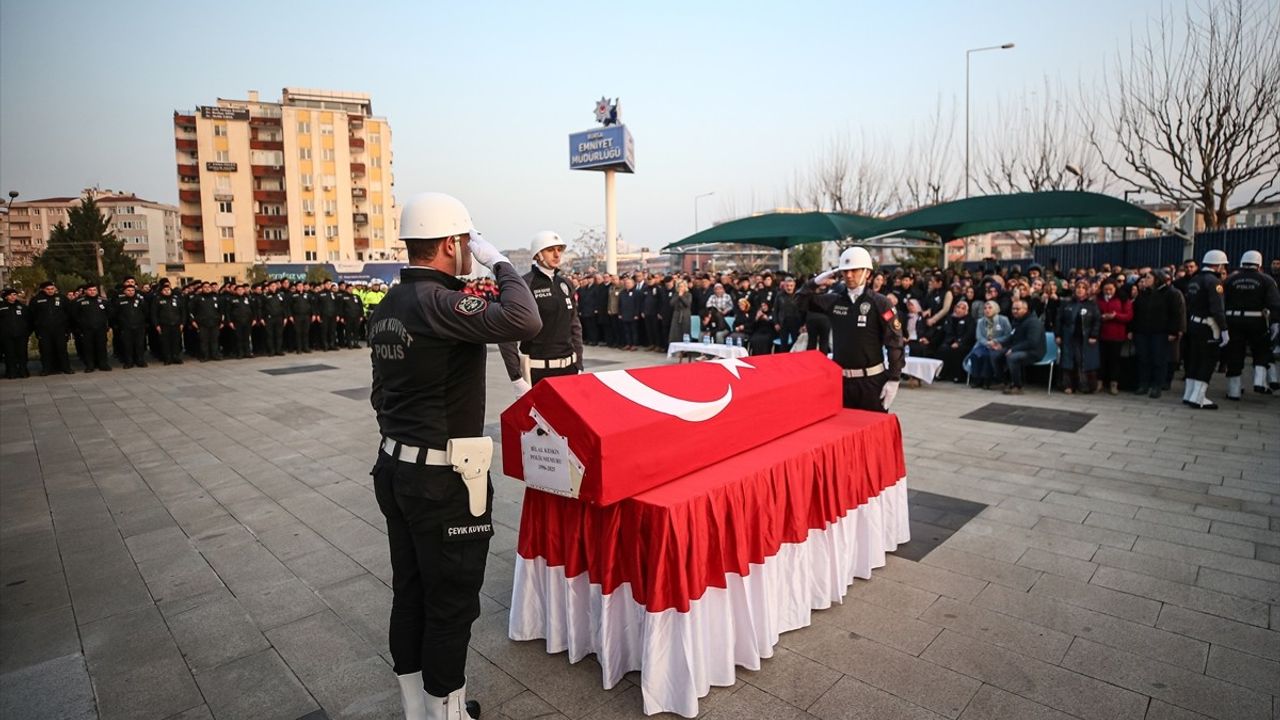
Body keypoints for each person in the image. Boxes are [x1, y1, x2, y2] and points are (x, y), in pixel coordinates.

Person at [369, 193, 540, 720]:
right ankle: (447, 715)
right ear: (450, 243)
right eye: (466, 242)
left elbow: (381, 392)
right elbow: (523, 318)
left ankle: (417, 710)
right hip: (441, 480)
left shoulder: (393, 302)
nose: (470, 251)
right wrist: (503, 262)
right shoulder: (438, 303)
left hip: (396, 465)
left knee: (412, 591)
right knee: (451, 603)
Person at [799, 246, 904, 412]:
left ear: (867, 273)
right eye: (845, 271)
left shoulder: (880, 302)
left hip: (871, 382)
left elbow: (895, 341)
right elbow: (800, 302)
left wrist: (894, 378)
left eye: (854, 270)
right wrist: (816, 282)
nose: (848, 275)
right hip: (841, 382)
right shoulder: (834, 300)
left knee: (872, 434)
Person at [499, 231, 584, 396]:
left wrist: (579, 364)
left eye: (559, 249)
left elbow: (574, 325)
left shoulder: (565, 284)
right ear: (538, 254)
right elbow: (507, 334)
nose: (557, 254)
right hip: (538, 372)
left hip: (569, 369)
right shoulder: (524, 284)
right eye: (550, 249)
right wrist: (516, 377)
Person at [1222, 250, 1280, 399]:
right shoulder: (1267, 280)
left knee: (1234, 353)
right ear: (1259, 263)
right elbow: (1274, 304)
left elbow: (1222, 301)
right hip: (1257, 321)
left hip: (1232, 320)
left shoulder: (1229, 280)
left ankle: (1234, 391)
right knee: (1261, 349)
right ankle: (1259, 381)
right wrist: (1274, 323)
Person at [1182, 250, 1230, 409]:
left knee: (1194, 359)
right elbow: (1217, 309)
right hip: (1208, 326)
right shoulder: (1214, 282)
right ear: (1218, 265)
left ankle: (1189, 394)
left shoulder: (1195, 279)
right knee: (1208, 360)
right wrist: (1224, 329)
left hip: (1194, 324)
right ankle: (1198, 397)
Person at [1129, 269, 1180, 399]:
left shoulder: (1170, 293)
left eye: (1148, 278)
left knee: (1159, 360)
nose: (1145, 280)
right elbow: (1135, 313)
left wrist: (1173, 331)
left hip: (1160, 332)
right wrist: (1131, 329)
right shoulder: (1143, 294)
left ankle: (1157, 385)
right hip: (1142, 331)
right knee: (1143, 359)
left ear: (1156, 279)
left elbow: (1175, 314)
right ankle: (1143, 384)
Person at [1056, 281, 1102, 394]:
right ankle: (1067, 385)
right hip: (1069, 337)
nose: (1080, 289)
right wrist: (1058, 335)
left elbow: (1097, 321)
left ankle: (1085, 385)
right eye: (1078, 287)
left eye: (1083, 288)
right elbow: (1058, 320)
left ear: (1087, 291)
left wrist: (1094, 335)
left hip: (1085, 339)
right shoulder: (1066, 303)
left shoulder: (1092, 305)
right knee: (1067, 361)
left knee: (1083, 361)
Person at [999, 299, 1046, 395]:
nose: (1014, 311)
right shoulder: (1017, 321)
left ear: (1025, 309)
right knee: (995, 354)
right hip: (1019, 348)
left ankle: (1017, 386)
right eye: (1013, 309)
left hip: (1034, 352)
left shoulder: (1033, 322)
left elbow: (1032, 342)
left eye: (1017, 309)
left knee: (1012, 357)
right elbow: (1012, 337)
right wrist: (1000, 344)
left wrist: (1013, 349)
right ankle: (1003, 381)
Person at [1096, 280, 1133, 395]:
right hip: (1101, 334)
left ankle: (1114, 383)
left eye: (1110, 289)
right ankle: (1099, 382)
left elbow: (1128, 316)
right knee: (1101, 360)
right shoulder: (1098, 299)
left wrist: (1115, 316)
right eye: (1105, 289)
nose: (1108, 292)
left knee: (1114, 360)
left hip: (1117, 334)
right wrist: (1101, 317)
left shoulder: (1123, 299)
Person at [29, 281, 73, 375]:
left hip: (60, 329)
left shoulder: (62, 298)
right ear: (43, 289)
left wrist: (67, 329)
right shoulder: (36, 300)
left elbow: (69, 313)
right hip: (44, 330)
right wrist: (37, 329)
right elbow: (32, 316)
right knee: (46, 350)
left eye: (52, 289)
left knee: (62, 350)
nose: (50, 291)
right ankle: (46, 369)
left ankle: (66, 368)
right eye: (48, 289)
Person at [966, 300, 1012, 389]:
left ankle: (987, 380)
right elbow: (979, 336)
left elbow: (1008, 335)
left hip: (1000, 345)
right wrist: (987, 343)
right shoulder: (980, 321)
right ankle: (976, 378)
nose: (987, 310)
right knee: (975, 354)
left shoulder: (1003, 320)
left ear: (995, 308)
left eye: (990, 308)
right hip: (984, 344)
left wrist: (995, 341)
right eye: (985, 308)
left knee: (988, 355)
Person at [73, 284, 113, 372]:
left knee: (101, 347)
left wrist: (107, 325)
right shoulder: (79, 301)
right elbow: (75, 315)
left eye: (94, 290)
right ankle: (90, 365)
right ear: (86, 291)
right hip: (86, 329)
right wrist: (80, 326)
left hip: (100, 328)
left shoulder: (103, 301)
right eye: (90, 290)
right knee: (88, 348)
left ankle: (103, 364)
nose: (92, 292)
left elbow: (109, 314)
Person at [939, 299, 976, 383]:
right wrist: (951, 341)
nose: (959, 310)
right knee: (943, 349)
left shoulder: (970, 320)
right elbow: (947, 331)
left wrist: (959, 342)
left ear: (966, 310)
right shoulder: (950, 318)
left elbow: (969, 334)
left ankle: (957, 376)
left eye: (963, 308)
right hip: (950, 341)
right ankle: (942, 374)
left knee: (958, 351)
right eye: (958, 307)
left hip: (964, 343)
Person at [113, 284, 149, 368]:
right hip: (126, 327)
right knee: (127, 345)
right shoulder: (119, 301)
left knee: (139, 344)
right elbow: (115, 314)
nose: (131, 292)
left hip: (139, 326)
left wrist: (143, 322)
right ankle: (129, 362)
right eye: (128, 290)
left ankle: (140, 360)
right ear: (124, 291)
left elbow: (146, 312)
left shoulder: (140, 300)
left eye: (132, 290)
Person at [1, 288, 31, 379]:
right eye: (10, 295)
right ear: (6, 297)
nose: (13, 297)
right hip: (6, 336)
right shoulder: (1, 307)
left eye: (14, 295)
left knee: (22, 354)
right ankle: (11, 372)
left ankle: (23, 371)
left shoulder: (22, 307)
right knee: (10, 354)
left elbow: (29, 320)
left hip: (21, 335)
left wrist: (26, 333)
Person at [151, 284, 185, 365]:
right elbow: (154, 314)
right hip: (164, 325)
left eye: (168, 290)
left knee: (176, 341)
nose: (167, 291)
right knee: (165, 342)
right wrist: (157, 325)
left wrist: (182, 323)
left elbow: (183, 312)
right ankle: (167, 358)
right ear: (162, 291)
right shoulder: (158, 300)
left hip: (176, 324)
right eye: (165, 290)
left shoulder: (176, 299)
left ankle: (176, 357)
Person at [668, 279, 692, 344]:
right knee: (675, 331)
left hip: (685, 315)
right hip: (677, 314)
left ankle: (685, 349)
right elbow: (671, 303)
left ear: (685, 287)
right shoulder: (675, 294)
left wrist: (681, 296)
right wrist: (678, 296)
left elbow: (687, 304)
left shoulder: (688, 294)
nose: (680, 288)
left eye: (682, 286)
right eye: (679, 286)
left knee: (685, 331)